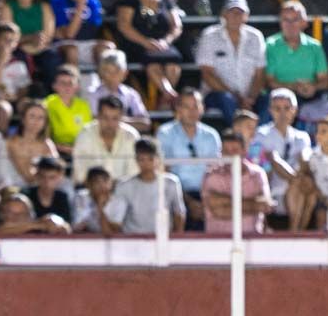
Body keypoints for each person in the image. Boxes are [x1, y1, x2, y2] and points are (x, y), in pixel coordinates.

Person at [155, 87, 221, 230]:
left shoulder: (211, 135)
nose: (192, 111)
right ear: (178, 109)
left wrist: (204, 200)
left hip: (207, 195)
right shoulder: (165, 133)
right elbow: (164, 171)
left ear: (202, 108)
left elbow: (216, 170)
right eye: (186, 106)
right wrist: (189, 201)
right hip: (176, 194)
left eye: (196, 106)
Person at [194, 0, 266, 126]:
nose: (235, 16)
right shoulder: (209, 35)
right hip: (217, 95)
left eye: (240, 13)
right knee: (226, 99)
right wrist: (236, 97)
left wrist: (250, 99)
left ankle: (257, 136)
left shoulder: (256, 37)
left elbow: (260, 74)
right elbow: (207, 75)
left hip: (249, 96)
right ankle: (239, 133)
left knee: (271, 100)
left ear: (246, 16)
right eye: (231, 12)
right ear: (224, 14)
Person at [250, 88, 310, 227]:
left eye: (287, 108)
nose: (282, 113)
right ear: (270, 110)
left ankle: (297, 230)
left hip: (296, 188)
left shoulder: (302, 137)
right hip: (269, 184)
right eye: (277, 109)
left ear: (294, 110)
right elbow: (259, 164)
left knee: (306, 183)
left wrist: (297, 178)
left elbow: (305, 162)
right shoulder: (259, 135)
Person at [265, 1, 328, 125]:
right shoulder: (270, 45)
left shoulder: (315, 47)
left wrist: (313, 87)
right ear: (280, 22)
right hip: (279, 97)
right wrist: (294, 87)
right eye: (286, 20)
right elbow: (269, 81)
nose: (290, 24)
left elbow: (324, 81)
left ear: (304, 23)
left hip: (310, 97)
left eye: (295, 19)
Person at [115, 0, 183, 109]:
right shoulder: (129, 1)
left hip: (163, 45)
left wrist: (166, 41)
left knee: (173, 66)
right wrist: (145, 42)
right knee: (153, 65)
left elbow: (177, 26)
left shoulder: (166, 1)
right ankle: (168, 95)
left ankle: (165, 100)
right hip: (137, 44)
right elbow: (124, 26)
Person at [201, 129, 272, 234]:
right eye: (226, 151)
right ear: (220, 152)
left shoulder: (257, 174)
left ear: (245, 150)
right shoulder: (211, 175)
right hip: (217, 242)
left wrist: (226, 203)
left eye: (234, 150)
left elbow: (265, 205)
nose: (230, 155)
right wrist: (253, 205)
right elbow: (218, 211)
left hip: (254, 240)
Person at [289, 114, 328, 230]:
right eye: (317, 131)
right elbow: (308, 179)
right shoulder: (311, 157)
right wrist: (323, 198)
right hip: (320, 198)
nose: (318, 135)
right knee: (320, 212)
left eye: (323, 132)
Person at [112, 137, 186, 234]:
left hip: (162, 239)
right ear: (136, 160)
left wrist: (176, 241)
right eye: (142, 159)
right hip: (132, 239)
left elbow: (179, 213)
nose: (146, 164)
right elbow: (116, 220)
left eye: (150, 159)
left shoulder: (171, 183)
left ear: (158, 159)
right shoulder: (124, 185)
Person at [71, 94, 139, 185]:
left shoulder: (131, 136)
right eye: (105, 117)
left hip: (124, 191)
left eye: (115, 118)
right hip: (91, 191)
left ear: (122, 118)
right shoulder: (85, 135)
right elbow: (80, 174)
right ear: (98, 116)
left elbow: (135, 173)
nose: (109, 123)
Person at [0, 98, 57, 190]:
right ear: (23, 119)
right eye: (32, 116)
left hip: (44, 188)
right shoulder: (13, 143)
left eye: (41, 118)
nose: (36, 121)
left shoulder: (47, 143)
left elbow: (56, 170)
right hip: (19, 188)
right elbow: (29, 177)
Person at [86, 49, 150, 132]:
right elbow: (94, 123)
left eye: (116, 71)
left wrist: (117, 121)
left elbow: (145, 123)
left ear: (125, 73)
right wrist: (121, 120)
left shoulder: (131, 94)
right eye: (107, 71)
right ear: (101, 73)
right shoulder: (93, 94)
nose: (112, 75)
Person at [0, 0, 58, 88]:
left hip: (41, 47)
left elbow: (48, 35)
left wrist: (37, 43)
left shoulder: (44, 7)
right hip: (17, 48)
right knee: (19, 60)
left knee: (51, 59)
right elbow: (6, 36)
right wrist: (29, 39)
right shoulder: (8, 7)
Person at [44, 64, 91, 155]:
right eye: (62, 83)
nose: (67, 87)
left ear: (77, 86)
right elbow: (44, 137)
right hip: (54, 151)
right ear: (54, 86)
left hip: (81, 150)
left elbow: (88, 133)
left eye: (70, 83)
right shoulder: (47, 104)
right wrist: (65, 148)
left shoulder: (84, 105)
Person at [49, 0, 109, 68]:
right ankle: (73, 77)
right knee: (72, 51)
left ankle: (104, 78)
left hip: (87, 43)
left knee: (104, 49)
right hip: (64, 44)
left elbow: (93, 31)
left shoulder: (93, 2)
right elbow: (69, 34)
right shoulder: (57, 1)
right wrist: (80, 6)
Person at [73, 165, 125, 234]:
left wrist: (100, 207)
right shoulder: (80, 198)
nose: (102, 185)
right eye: (96, 181)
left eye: (105, 180)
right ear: (88, 184)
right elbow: (79, 229)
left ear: (112, 182)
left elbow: (109, 232)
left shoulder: (119, 202)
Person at [23, 155, 73, 223]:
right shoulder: (26, 195)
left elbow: (67, 223)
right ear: (37, 176)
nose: (47, 182)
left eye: (52, 177)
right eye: (42, 177)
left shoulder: (62, 197)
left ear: (60, 177)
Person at [0, 188, 70, 234]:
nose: (16, 218)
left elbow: (64, 228)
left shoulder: (38, 228)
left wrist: (53, 223)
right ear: (2, 215)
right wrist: (36, 225)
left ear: (29, 216)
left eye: (21, 214)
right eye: (11, 213)